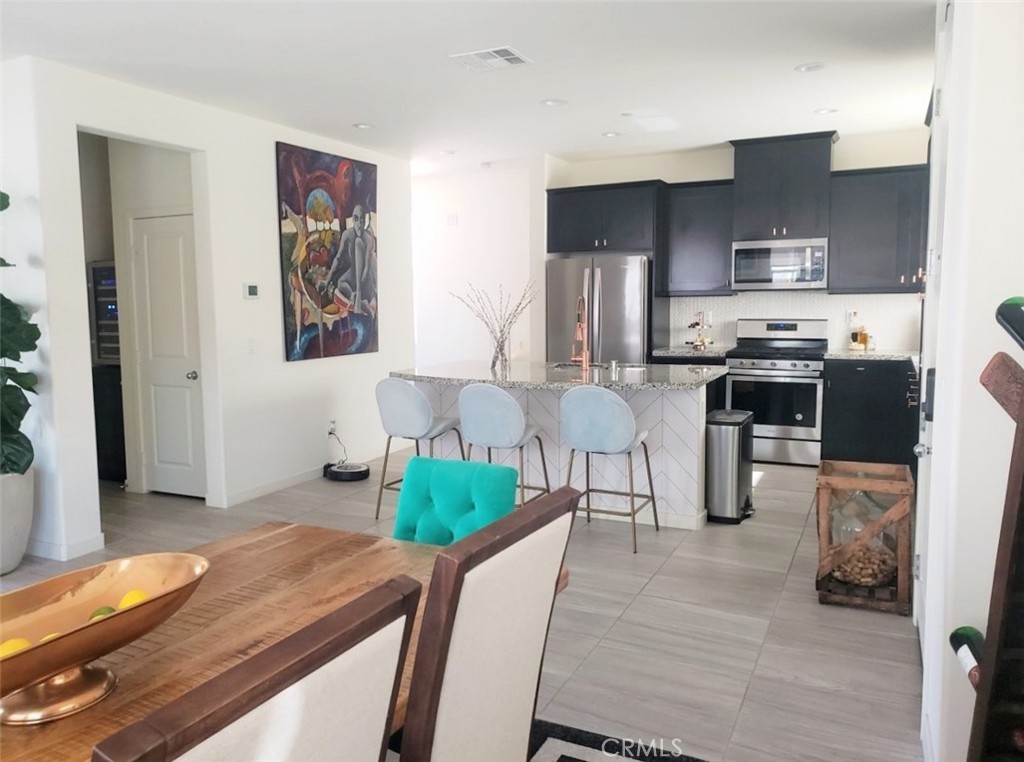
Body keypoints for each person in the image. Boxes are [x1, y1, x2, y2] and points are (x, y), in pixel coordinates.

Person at [320, 204, 376, 313]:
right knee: (341, 283)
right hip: (352, 274)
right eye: (356, 219)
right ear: (353, 220)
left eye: (362, 220)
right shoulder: (347, 235)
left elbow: (367, 267)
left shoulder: (369, 239)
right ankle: (354, 299)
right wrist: (328, 280)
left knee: (358, 243)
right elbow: (338, 258)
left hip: (365, 279)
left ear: (364, 221)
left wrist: (359, 288)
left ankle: (359, 300)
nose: (359, 224)